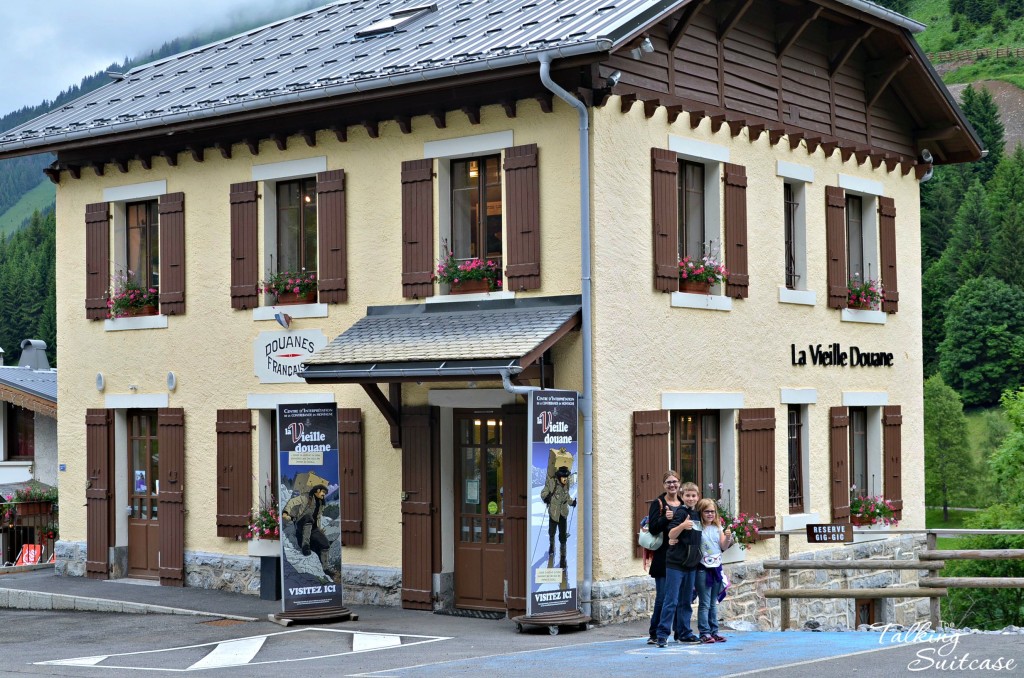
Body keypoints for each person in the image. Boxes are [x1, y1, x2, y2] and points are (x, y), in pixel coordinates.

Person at [654, 481, 702, 647]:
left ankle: (684, 633)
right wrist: (682, 525)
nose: (690, 498)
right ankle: (662, 634)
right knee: (671, 600)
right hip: (676, 563)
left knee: (686, 601)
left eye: (693, 495)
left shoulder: (697, 514)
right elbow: (671, 534)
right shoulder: (681, 513)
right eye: (687, 495)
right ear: (682, 496)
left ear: (698, 497)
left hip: (691, 564)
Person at [645, 470, 685, 645]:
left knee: (678, 597)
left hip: (680, 556)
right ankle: (655, 633)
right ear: (664, 485)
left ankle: (678, 631)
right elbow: (652, 528)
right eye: (668, 482)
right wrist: (664, 519)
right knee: (662, 597)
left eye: (675, 482)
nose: (672, 485)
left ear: (679, 484)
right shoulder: (658, 503)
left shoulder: (683, 503)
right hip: (663, 557)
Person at [694, 497, 733, 644]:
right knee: (704, 602)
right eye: (707, 511)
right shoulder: (697, 528)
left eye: (712, 511)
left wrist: (728, 538)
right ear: (701, 512)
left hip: (716, 567)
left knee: (713, 602)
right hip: (703, 568)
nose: (710, 514)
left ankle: (714, 631)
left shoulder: (718, 528)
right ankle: (704, 632)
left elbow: (723, 546)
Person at [282, 483, 338, 578]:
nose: (324, 494)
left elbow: (318, 517)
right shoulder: (306, 497)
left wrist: (319, 529)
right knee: (308, 517)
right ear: (317, 490)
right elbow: (292, 502)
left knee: (325, 544)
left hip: (313, 528)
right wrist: (285, 512)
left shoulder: (320, 503)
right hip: (301, 524)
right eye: (323, 492)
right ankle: (305, 545)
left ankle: (325, 568)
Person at [541, 464, 577, 569]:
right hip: (553, 513)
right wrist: (546, 498)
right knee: (552, 532)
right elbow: (543, 493)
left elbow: (567, 496)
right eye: (564, 477)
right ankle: (552, 546)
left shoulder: (567, 484)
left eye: (566, 477)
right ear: (559, 477)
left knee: (563, 537)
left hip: (563, 514)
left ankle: (562, 558)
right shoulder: (552, 483)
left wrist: (572, 502)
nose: (565, 479)